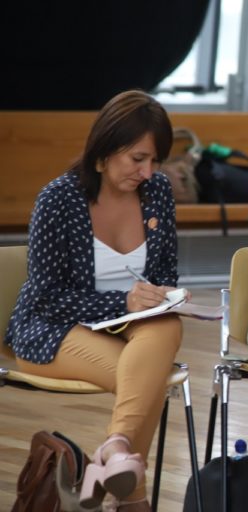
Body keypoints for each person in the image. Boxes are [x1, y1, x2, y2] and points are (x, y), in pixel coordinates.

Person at [5, 90, 182, 512]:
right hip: (51, 331)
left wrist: (161, 296)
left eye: (155, 160)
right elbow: (47, 297)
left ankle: (115, 451)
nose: (148, 171)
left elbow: (165, 274)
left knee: (169, 325)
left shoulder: (158, 192)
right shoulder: (59, 199)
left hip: (129, 330)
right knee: (149, 380)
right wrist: (123, 303)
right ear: (104, 151)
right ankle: (131, 496)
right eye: (137, 158)